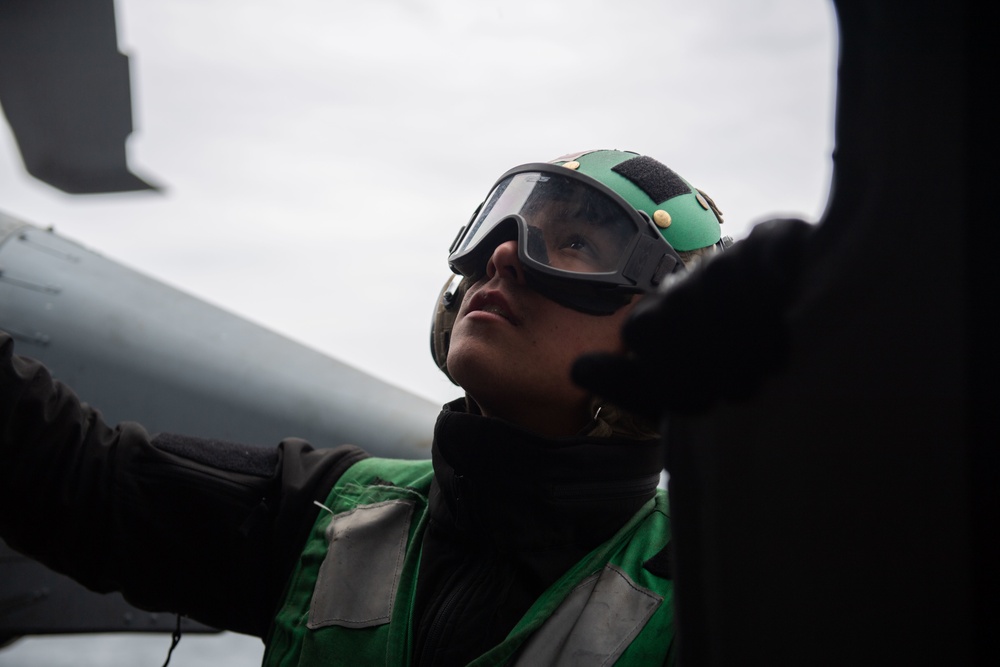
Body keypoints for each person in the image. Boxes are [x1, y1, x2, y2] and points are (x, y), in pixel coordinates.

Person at [0, 149, 725, 665]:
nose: (504, 255)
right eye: (502, 227)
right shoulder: (331, 513)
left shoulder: (713, 588)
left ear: (660, 336)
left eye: (572, 242)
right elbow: (73, 474)